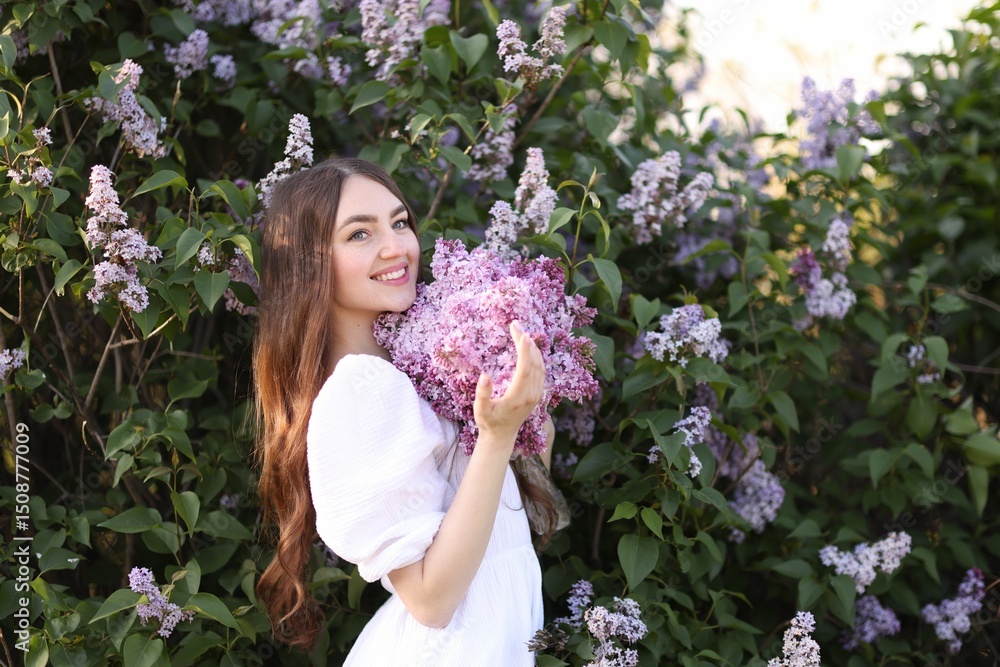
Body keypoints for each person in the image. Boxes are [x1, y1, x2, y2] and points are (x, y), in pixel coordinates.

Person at [251, 156, 564, 664]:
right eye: (359, 234)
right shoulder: (363, 390)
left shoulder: (416, 370)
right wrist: (497, 436)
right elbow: (430, 599)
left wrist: (524, 402)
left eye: (400, 223)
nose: (396, 247)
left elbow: (513, 526)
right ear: (310, 264)